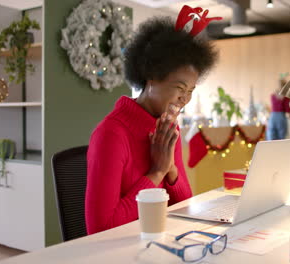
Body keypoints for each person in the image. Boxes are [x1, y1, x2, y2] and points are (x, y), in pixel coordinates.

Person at [85, 9, 220, 235]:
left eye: (190, 91)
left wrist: (171, 169)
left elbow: (185, 206)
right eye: (179, 88)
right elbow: (101, 228)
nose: (184, 99)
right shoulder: (111, 134)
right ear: (151, 77)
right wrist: (157, 172)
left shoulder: (168, 129)